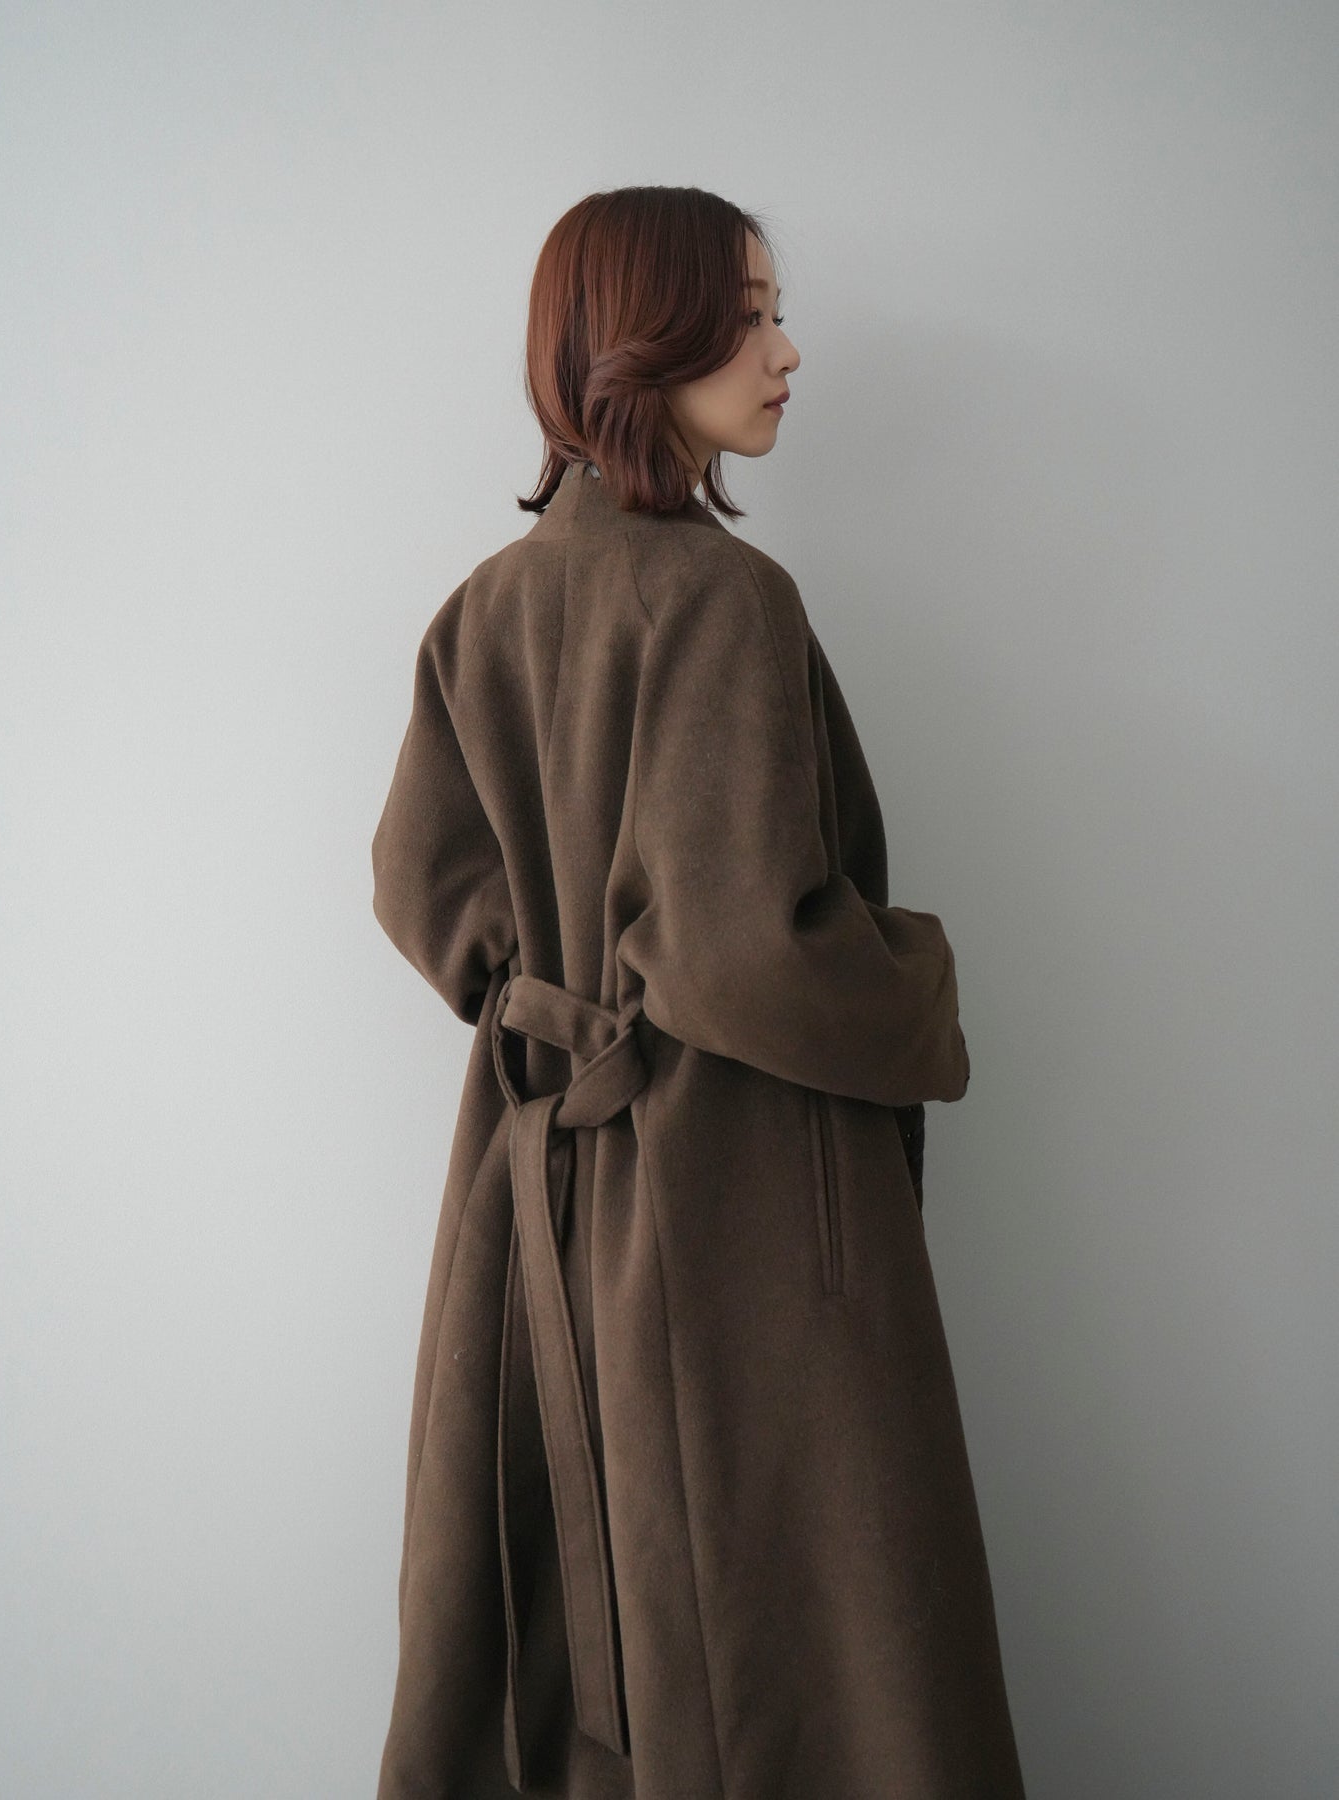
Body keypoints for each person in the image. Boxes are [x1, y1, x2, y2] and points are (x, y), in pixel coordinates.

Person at [369, 184, 1026, 1799]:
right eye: (746, 318)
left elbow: (417, 887)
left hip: (537, 1193)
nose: (787, 351)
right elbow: (742, 950)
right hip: (731, 1212)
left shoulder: (484, 607)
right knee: (803, 1637)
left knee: (583, 1625)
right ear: (636, 342)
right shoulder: (724, 599)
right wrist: (917, 980)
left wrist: (551, 984)